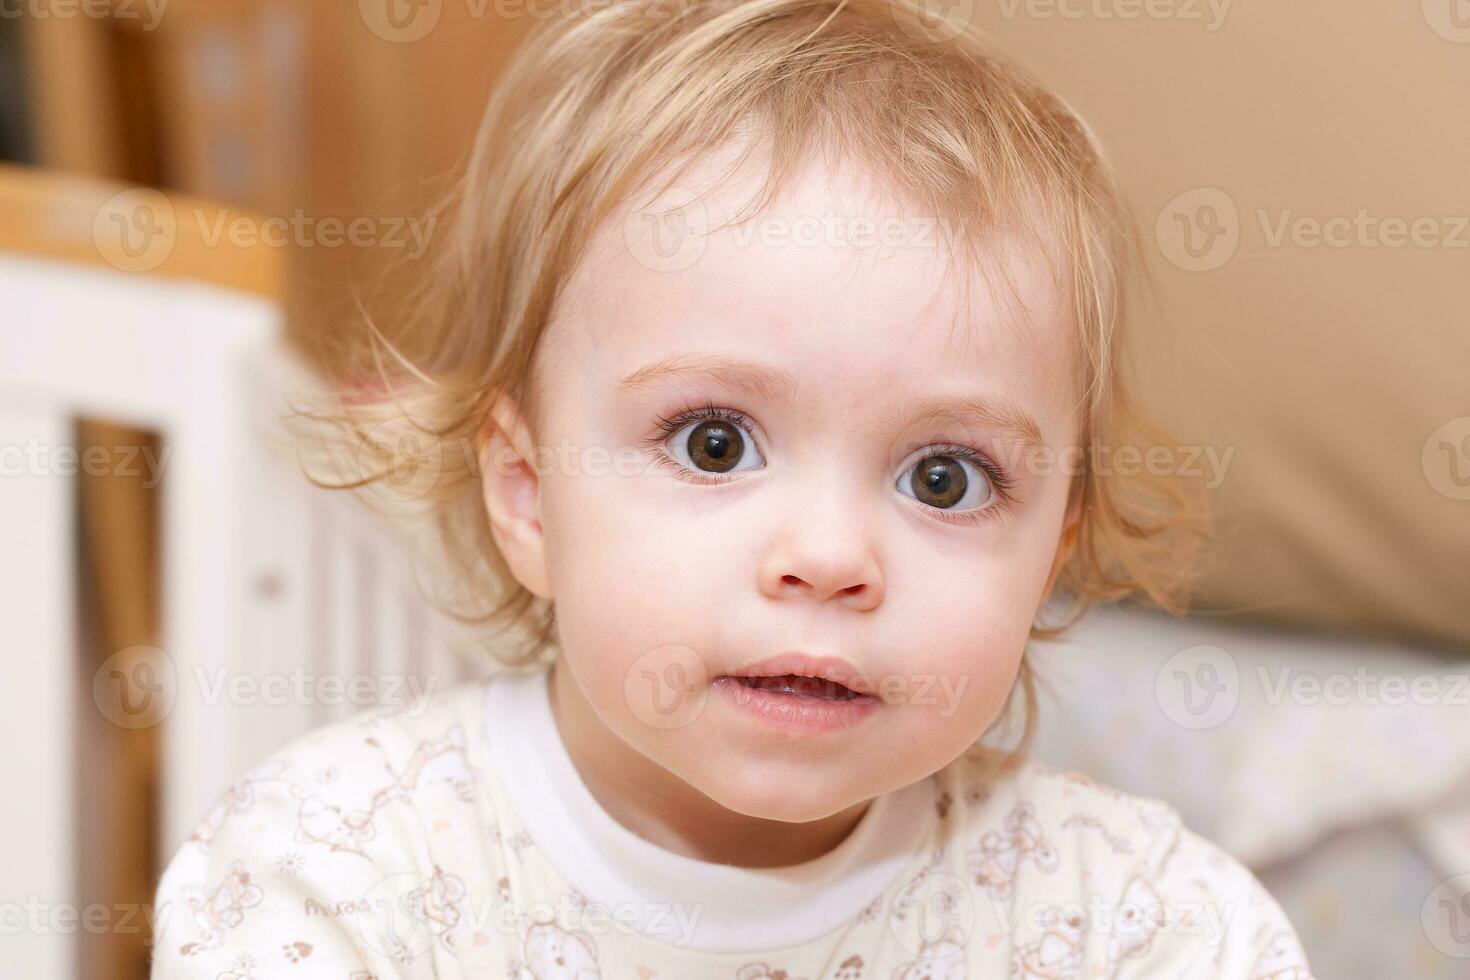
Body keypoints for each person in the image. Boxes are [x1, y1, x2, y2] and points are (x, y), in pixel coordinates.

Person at [150, 0, 1314, 975]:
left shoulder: (1135, 923)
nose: (828, 552)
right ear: (528, 493)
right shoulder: (336, 876)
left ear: (1052, 551)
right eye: (715, 442)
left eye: (944, 477)